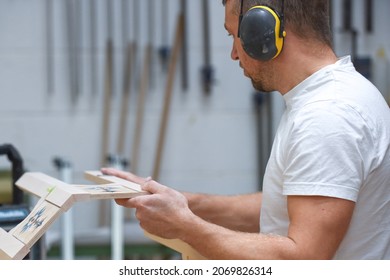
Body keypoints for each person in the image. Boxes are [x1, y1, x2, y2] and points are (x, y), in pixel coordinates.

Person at [102, 0, 390, 259]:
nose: (233, 54)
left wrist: (185, 226)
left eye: (233, 36)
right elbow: (292, 204)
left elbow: (303, 261)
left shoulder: (328, 115)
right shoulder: (331, 97)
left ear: (261, 31)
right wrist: (180, 202)